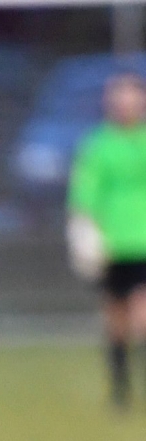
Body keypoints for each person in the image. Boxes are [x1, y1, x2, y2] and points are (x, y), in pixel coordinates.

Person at [69, 69, 146, 408]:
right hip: (113, 244)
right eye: (120, 98)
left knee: (143, 313)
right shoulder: (98, 145)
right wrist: (84, 232)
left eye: (133, 97)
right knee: (116, 319)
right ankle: (120, 388)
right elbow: (85, 194)